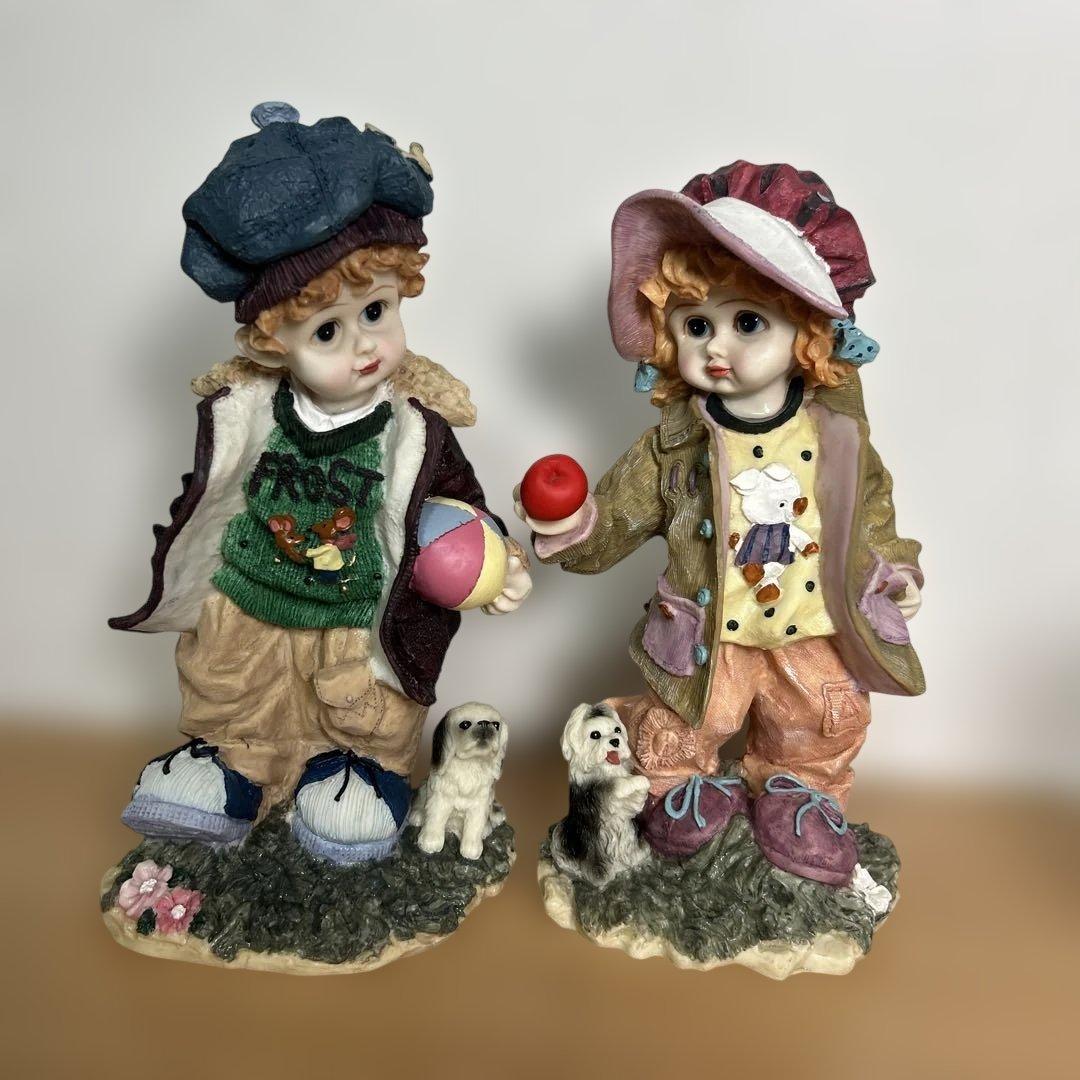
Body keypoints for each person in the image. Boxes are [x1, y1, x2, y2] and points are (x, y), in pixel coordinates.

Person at [113, 103, 531, 865]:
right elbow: (209, 493)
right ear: (273, 341)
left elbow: (458, 502)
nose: (365, 345)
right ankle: (230, 764)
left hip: (353, 615)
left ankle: (354, 774)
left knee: (360, 707)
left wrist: (495, 557)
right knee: (237, 688)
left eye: (377, 311)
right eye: (328, 331)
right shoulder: (247, 408)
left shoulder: (414, 425)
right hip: (251, 600)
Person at [517, 162, 922, 885]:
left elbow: (872, 511)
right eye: (697, 325)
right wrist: (577, 522)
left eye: (748, 323)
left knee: (819, 721)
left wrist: (895, 570)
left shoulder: (834, 436)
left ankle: (802, 793)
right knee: (681, 723)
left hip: (809, 630)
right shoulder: (673, 445)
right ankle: (678, 791)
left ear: (806, 330)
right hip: (708, 638)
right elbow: (617, 516)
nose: (717, 347)